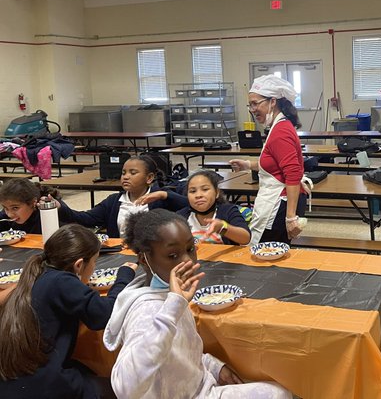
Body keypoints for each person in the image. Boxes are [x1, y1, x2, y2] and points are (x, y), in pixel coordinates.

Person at [103, 209, 292, 399]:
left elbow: (182, 352)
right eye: (172, 255)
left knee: (280, 391)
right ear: (144, 259)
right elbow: (125, 388)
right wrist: (172, 309)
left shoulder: (171, 295)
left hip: (200, 387)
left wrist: (214, 366)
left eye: (190, 249)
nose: (187, 260)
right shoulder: (148, 312)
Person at [0, 224, 137, 399]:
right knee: (123, 388)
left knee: (85, 371)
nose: (94, 267)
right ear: (79, 265)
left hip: (16, 380)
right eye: (94, 262)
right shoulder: (62, 281)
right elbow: (104, 314)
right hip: (42, 385)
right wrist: (124, 276)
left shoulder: (38, 273)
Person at [229, 75, 306, 245]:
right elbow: (274, 164)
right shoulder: (278, 126)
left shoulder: (280, 132)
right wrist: (247, 165)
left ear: (273, 102)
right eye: (250, 105)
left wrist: (290, 217)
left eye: (255, 103)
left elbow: (293, 173)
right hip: (279, 200)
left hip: (280, 203)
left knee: (269, 251)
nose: (252, 109)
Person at [58, 155, 188, 237]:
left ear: (149, 178)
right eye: (123, 173)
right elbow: (86, 219)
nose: (126, 177)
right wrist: (60, 207)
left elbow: (192, 206)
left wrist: (165, 195)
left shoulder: (162, 198)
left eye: (133, 173)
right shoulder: (113, 201)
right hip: (120, 255)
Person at [175, 169, 251, 245]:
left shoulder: (228, 211)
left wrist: (222, 227)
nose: (198, 195)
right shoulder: (181, 217)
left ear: (217, 193)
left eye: (205, 189)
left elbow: (246, 238)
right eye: (193, 191)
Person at [0, 178, 71, 234]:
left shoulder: (50, 207)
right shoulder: (8, 211)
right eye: (5, 208)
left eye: (15, 208)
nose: (9, 214)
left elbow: (75, 222)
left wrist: (61, 209)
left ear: (33, 202)